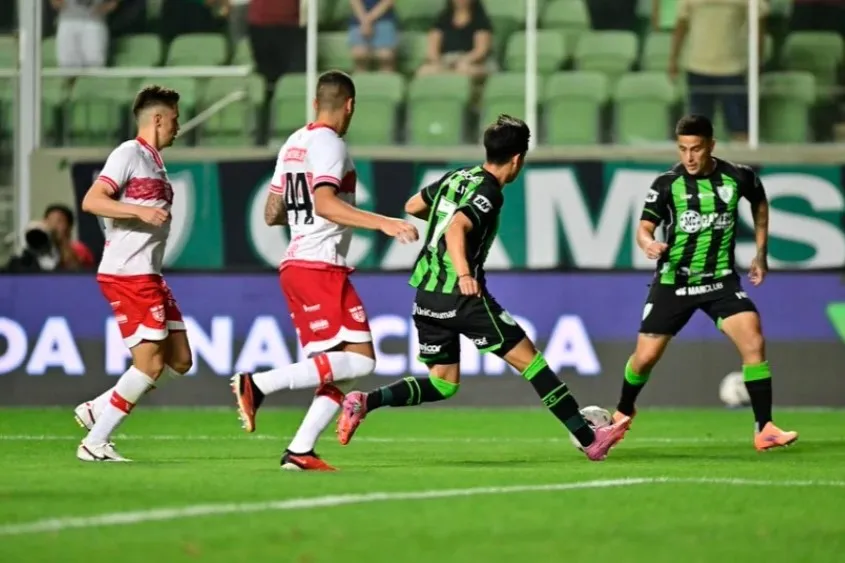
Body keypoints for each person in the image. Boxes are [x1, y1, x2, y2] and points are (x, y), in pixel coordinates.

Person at [335, 115, 632, 462]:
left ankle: (364, 401)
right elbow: (456, 228)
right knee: (532, 364)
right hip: (462, 297)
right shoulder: (488, 190)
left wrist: (446, 222)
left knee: (443, 382)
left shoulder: (458, 176)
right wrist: (463, 273)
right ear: (518, 159)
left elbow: (413, 205)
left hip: (426, 295)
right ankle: (588, 439)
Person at [230, 70, 419, 472]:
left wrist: (304, 217)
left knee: (342, 371)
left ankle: (300, 450)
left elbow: (271, 212)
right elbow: (326, 204)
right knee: (363, 361)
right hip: (319, 266)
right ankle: (258, 384)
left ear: (316, 103)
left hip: (298, 263)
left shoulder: (293, 143)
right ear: (349, 105)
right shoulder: (330, 143)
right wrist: (383, 222)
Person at [612, 115, 798, 451]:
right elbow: (643, 227)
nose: (689, 157)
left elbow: (759, 201)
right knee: (645, 358)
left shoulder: (738, 177)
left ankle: (764, 427)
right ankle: (624, 410)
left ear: (711, 145)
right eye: (683, 149)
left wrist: (761, 252)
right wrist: (648, 243)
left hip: (720, 282)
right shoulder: (667, 184)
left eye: (696, 149)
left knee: (753, 339)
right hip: (674, 282)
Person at [73, 85, 193, 462]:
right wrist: (141, 212)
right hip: (128, 273)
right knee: (151, 364)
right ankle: (95, 442)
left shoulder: (155, 162)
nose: (179, 124)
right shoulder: (129, 152)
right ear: (158, 119)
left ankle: (99, 407)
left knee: (180, 361)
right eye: (174, 117)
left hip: (149, 273)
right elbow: (92, 201)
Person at [669, 0, 769, 143]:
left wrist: (758, 60)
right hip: (697, 67)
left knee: (739, 126)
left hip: (733, 68)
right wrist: (673, 59)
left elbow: (758, 25)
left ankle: (743, 163)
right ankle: (699, 165)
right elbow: (681, 25)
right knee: (697, 128)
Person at [417, 0, 495, 79]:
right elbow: (432, 49)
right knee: (424, 71)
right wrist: (439, 62)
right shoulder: (442, 20)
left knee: (465, 69)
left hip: (473, 62)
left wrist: (463, 61)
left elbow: (480, 51)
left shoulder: (480, 21)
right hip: (446, 60)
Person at [51, 0, 117, 68]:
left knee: (95, 64)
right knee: (66, 66)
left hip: (94, 22)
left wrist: (109, 6)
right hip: (67, 20)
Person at [349, 0, 398, 72]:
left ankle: (386, 81)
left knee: (385, 56)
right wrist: (364, 21)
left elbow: (388, 1)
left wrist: (369, 20)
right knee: (360, 54)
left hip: (384, 18)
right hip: (359, 19)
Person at [43, 203, 95, 270]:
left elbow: (75, 272)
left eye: (59, 221)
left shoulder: (80, 249)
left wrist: (63, 242)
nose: (53, 225)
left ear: (69, 227)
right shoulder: (39, 249)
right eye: (49, 220)